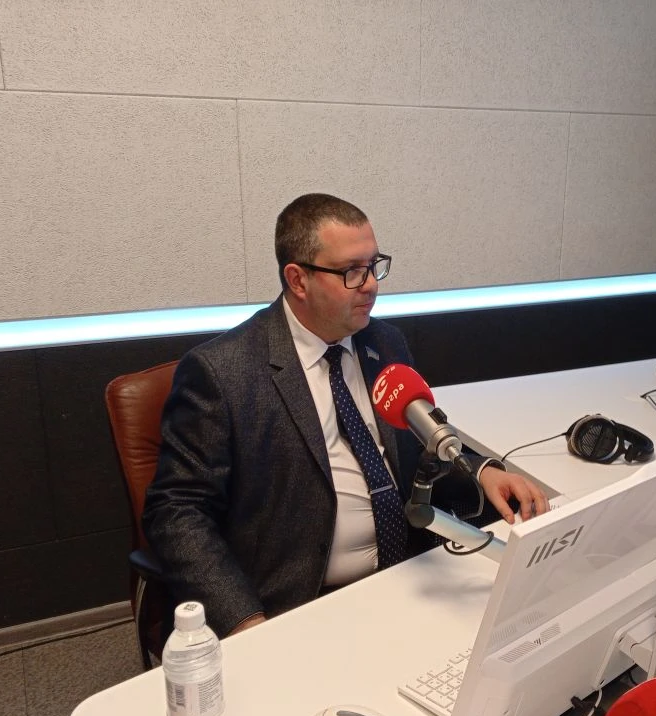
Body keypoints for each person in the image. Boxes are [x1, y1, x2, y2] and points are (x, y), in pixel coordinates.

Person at [142, 193, 548, 637]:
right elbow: (177, 512)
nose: (371, 284)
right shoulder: (224, 372)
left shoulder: (385, 342)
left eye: (374, 266)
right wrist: (244, 621)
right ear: (298, 280)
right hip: (301, 600)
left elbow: (420, 439)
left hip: (414, 569)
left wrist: (483, 471)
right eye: (352, 271)